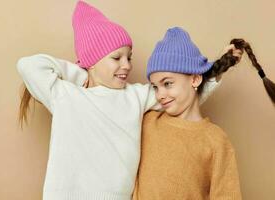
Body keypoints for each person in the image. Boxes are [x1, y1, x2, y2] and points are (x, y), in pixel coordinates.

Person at [16, 1, 241, 200]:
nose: (127, 65)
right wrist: (83, 73)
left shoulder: (135, 96)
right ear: (91, 61)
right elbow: (28, 66)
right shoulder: (67, 95)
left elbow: (183, 93)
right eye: (116, 58)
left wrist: (219, 67)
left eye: (129, 57)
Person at [133, 27, 275, 200]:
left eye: (167, 83)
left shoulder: (216, 141)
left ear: (195, 79)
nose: (159, 94)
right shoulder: (147, 123)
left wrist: (218, 67)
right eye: (155, 87)